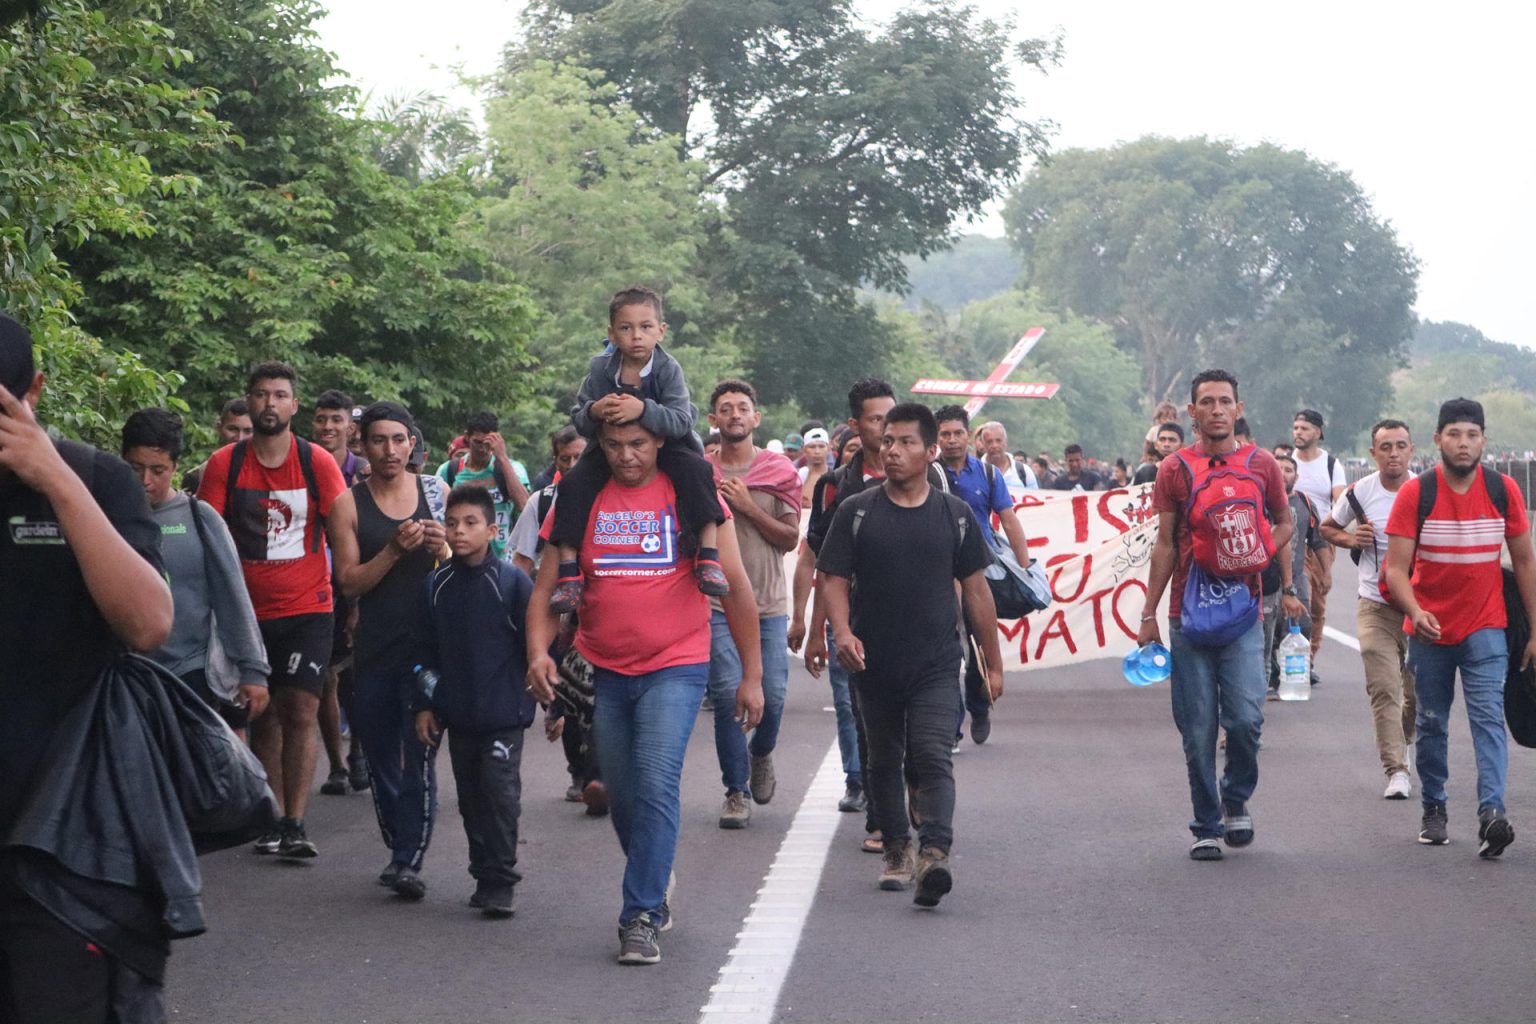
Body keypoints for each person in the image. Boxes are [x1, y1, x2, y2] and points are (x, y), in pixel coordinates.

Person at [526, 418, 764, 966]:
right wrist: (538, 653)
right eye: (614, 445)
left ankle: (641, 916)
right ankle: (654, 873)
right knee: (622, 794)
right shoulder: (581, 498)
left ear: (659, 440)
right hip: (606, 669)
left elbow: (737, 591)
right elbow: (544, 592)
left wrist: (751, 675)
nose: (627, 456)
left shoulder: (689, 495)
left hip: (676, 664)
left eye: (638, 443)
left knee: (656, 782)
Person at [1, 313, 176, 1022]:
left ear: (32, 393)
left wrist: (55, 480)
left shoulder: (97, 480)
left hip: (65, 843)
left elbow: (148, 624)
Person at [816, 403, 1002, 908]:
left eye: (906, 442)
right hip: (871, 662)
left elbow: (977, 592)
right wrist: (843, 633)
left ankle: (934, 853)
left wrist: (992, 661)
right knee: (882, 759)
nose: (892, 450)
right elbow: (830, 578)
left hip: (938, 663)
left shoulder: (955, 516)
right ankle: (896, 850)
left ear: (930, 451)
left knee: (931, 754)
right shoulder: (857, 512)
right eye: (888, 441)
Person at [1137, 370, 1293, 861]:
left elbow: (1286, 521)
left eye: (1226, 401)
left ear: (1238, 409)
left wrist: (1259, 552)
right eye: (1207, 402)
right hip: (1188, 615)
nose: (1217, 410)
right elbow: (1164, 543)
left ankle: (1236, 797)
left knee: (1246, 719)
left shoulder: (1262, 463)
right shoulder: (1174, 470)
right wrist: (1149, 613)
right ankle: (1206, 822)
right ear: (1193, 413)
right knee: (1198, 726)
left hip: (1244, 612)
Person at [198, 361, 348, 859]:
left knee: (301, 707)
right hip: (245, 612)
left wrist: (357, 596)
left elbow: (344, 530)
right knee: (263, 714)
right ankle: (273, 817)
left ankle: (296, 821)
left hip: (308, 607)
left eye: (280, 395)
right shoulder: (225, 464)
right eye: (261, 395)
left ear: (294, 405)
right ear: (250, 400)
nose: (269, 404)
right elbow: (207, 538)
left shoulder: (316, 463)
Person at [1383, 398, 1536, 855]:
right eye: (1454, 434)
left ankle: (1493, 813)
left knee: (1488, 719)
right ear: (1437, 440)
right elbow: (1395, 569)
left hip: (1487, 626)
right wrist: (1414, 611)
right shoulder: (1417, 493)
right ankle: (1434, 806)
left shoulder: (1503, 489)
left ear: (1484, 441)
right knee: (1432, 723)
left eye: (1472, 435)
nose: (1463, 443)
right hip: (1430, 631)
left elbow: (1525, 560)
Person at [328, 402, 449, 899]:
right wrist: (394, 551)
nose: (390, 450)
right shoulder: (348, 505)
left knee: (418, 755)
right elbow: (349, 583)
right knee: (381, 757)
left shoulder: (436, 493)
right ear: (363, 444)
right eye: (379, 440)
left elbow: (464, 564)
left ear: (412, 443)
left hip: (428, 651)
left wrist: (443, 547)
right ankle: (401, 845)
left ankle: (407, 859)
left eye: (399, 440)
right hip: (375, 650)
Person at [546, 286, 728, 613]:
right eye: (626, 328)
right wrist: (595, 410)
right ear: (612, 333)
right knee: (572, 483)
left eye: (646, 327)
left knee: (699, 471)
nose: (636, 337)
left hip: (667, 444)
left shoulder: (668, 369)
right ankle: (569, 570)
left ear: (661, 330)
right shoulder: (600, 369)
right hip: (611, 448)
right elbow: (579, 418)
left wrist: (642, 410)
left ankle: (709, 555)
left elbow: (682, 419)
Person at [413, 485, 535, 918]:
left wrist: (550, 700)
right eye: (452, 523)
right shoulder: (436, 585)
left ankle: (501, 880)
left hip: (505, 713)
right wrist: (425, 705)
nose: (459, 532)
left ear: (492, 528)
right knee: (470, 798)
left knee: (499, 793)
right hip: (459, 715)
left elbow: (535, 645)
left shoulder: (512, 582)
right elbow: (423, 652)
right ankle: (483, 871)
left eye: (470, 523)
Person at [121, 408, 270, 735]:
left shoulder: (200, 518)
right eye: (135, 468)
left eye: (158, 470)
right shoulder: (104, 516)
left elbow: (232, 596)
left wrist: (252, 670)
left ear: (175, 467)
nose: (146, 481)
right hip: (127, 674)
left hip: (192, 672)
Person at [705, 380, 802, 828]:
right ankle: (735, 791)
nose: (735, 415)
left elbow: (789, 538)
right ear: (714, 421)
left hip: (768, 603)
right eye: (726, 409)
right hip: (717, 603)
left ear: (756, 418)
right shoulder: (701, 473)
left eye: (743, 408)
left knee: (774, 697)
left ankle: (761, 752)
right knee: (729, 695)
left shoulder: (779, 470)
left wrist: (746, 506)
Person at [1319, 419, 1417, 798]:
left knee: (1418, 691)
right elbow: (1328, 527)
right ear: (1373, 452)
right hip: (1375, 604)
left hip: (1421, 606)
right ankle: (1397, 770)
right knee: (1383, 687)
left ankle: (1403, 738)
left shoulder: (1428, 492)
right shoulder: (1360, 493)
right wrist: (1349, 537)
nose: (1393, 453)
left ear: (1412, 449)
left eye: (1400, 445)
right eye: (1386, 446)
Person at [935, 405, 1031, 745]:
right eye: (944, 434)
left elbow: (1008, 518)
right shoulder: (928, 474)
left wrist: (1025, 564)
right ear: (937, 438)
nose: (951, 440)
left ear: (967, 435)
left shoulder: (989, 475)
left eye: (957, 433)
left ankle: (979, 705)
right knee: (945, 650)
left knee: (977, 648)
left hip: (979, 571)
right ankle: (951, 727)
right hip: (937, 573)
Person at [313, 389, 368, 797]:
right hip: (318, 587)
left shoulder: (365, 472)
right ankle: (336, 764)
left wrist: (359, 601)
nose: (329, 427)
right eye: (322, 419)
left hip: (361, 583)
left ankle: (362, 750)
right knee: (326, 677)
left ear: (350, 426)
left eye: (337, 420)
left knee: (360, 675)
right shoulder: (305, 466)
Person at [1291, 409, 1347, 679]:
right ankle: (1289, 658)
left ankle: (1308, 658)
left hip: (1321, 541)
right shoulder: (1287, 463)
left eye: (1305, 428)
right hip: (1292, 541)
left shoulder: (1331, 465)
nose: (1299, 433)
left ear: (1318, 433)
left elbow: (1340, 502)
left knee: (1318, 604)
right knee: (1298, 598)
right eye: (1296, 428)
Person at [1261, 454, 1321, 697]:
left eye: (1288, 469)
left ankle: (1286, 675)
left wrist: (1323, 572)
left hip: (1289, 579)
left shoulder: (1303, 502)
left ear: (1296, 476)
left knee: (1300, 624)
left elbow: (1316, 539)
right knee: (1264, 641)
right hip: (1258, 582)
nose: (1283, 473)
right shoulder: (1256, 498)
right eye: (1278, 468)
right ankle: (1270, 675)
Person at [439, 411, 531, 558]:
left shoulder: (512, 468)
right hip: (461, 559)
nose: (482, 449)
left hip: (502, 559)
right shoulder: (449, 471)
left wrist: (502, 457)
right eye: (477, 442)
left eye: (487, 443)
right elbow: (438, 515)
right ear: (467, 437)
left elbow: (525, 506)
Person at [180, 397, 253, 496]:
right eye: (232, 429)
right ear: (219, 428)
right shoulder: (196, 477)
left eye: (248, 431)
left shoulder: (269, 476)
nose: (240, 438)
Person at [975, 420, 1038, 491]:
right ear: (983, 444)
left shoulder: (1025, 472)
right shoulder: (975, 472)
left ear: (1006, 442)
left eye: (998, 440)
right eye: (989, 442)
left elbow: (1036, 499)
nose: (994, 445)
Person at [798, 427, 832, 508]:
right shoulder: (799, 476)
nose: (817, 451)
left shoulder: (836, 476)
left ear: (829, 448)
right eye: (812, 447)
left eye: (821, 446)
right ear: (804, 450)